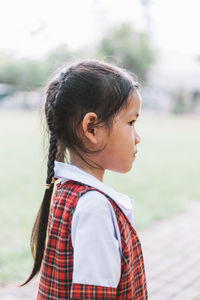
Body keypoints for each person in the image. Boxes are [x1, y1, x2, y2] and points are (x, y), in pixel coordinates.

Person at [23, 59, 148, 299]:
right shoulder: (94, 208)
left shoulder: (67, 192)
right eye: (131, 122)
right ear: (91, 129)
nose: (138, 137)